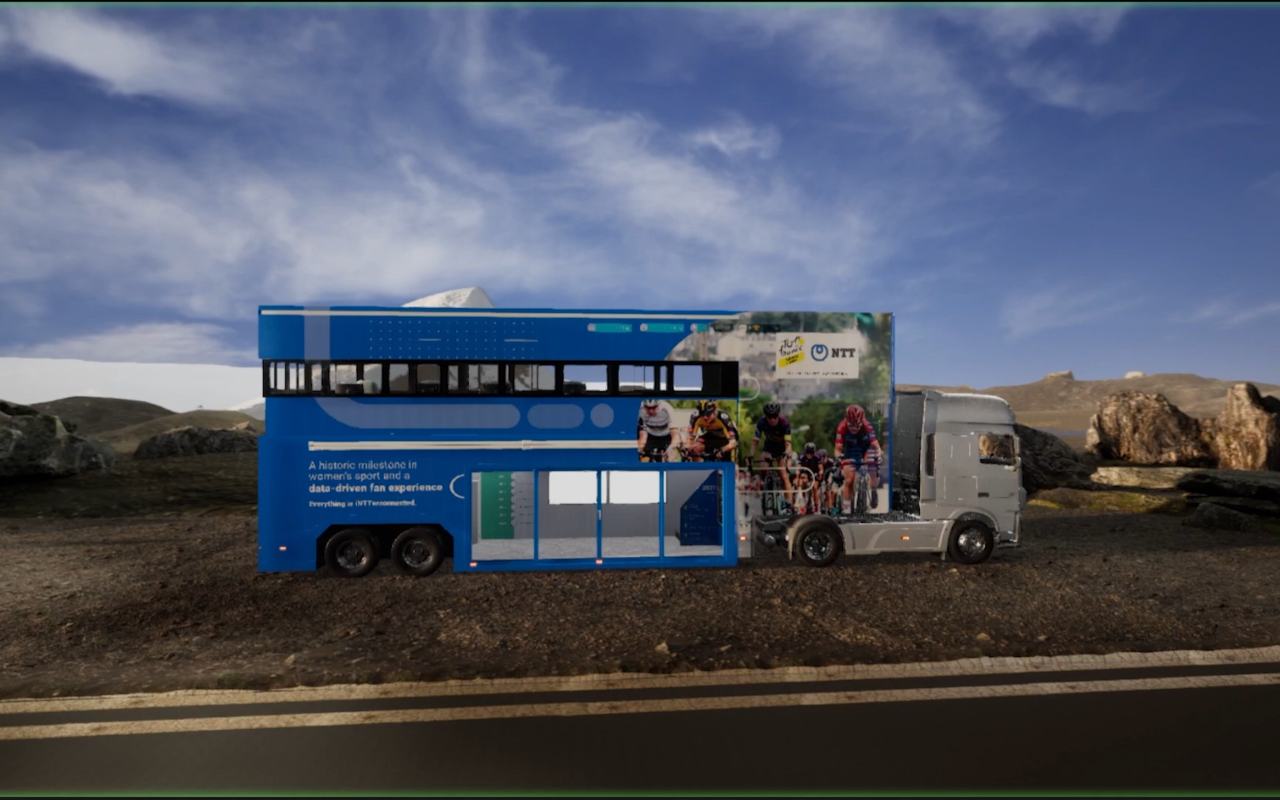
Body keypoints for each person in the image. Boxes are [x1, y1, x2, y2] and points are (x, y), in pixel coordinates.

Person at [833, 403, 882, 514]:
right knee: (849, 480)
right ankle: (846, 508)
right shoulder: (842, 426)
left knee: (872, 468)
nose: (854, 428)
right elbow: (838, 448)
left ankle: (873, 489)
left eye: (857, 425)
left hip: (865, 447)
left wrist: (879, 453)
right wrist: (838, 457)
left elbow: (875, 444)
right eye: (851, 425)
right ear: (847, 420)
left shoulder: (867, 426)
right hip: (851, 451)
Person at [751, 402, 793, 506]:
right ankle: (765, 485)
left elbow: (788, 444)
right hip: (769, 447)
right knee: (763, 467)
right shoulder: (761, 422)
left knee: (784, 475)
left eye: (774, 416)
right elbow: (755, 441)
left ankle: (789, 503)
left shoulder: (784, 423)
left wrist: (787, 453)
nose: (772, 419)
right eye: (769, 417)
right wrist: (751, 454)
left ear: (778, 415)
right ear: (766, 416)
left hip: (782, 448)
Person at [798, 441, 823, 511]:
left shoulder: (817, 457)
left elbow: (821, 468)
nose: (809, 455)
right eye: (808, 453)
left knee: (814, 487)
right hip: (805, 474)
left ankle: (816, 505)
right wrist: (798, 473)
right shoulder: (802, 457)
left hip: (814, 475)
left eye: (811, 453)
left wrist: (820, 473)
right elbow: (798, 467)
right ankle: (802, 502)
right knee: (801, 484)